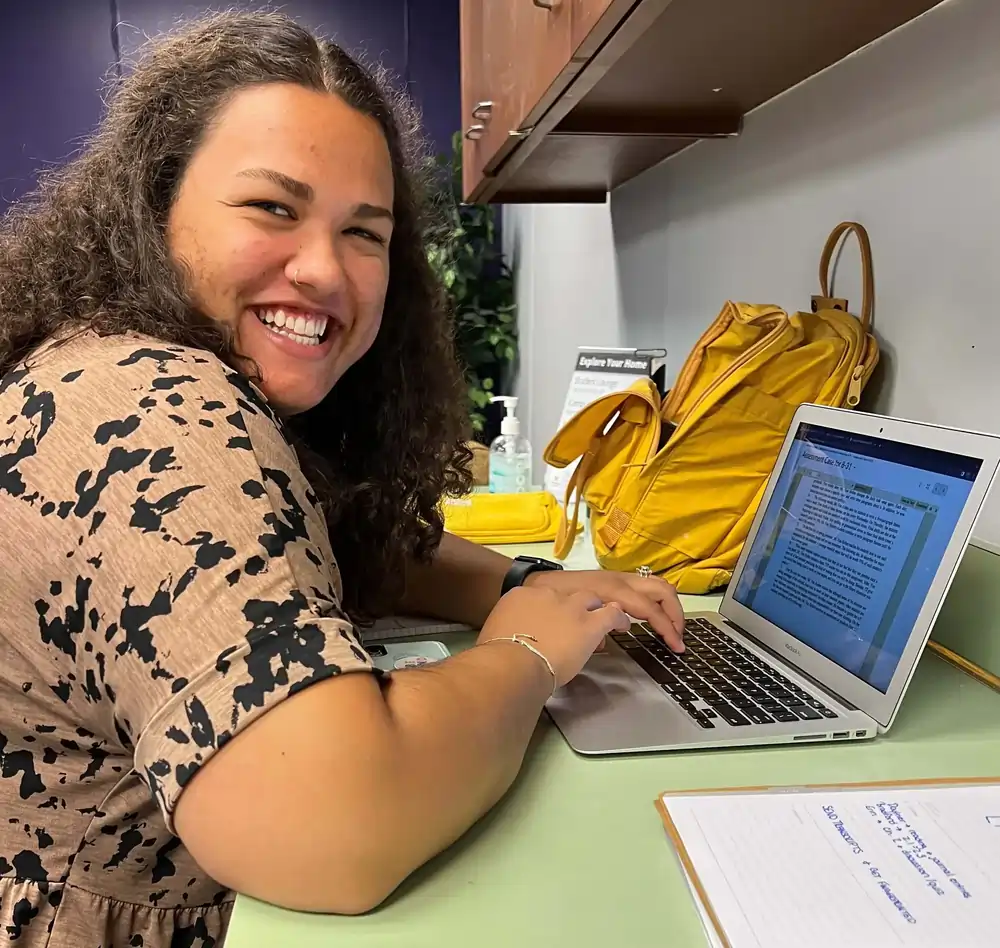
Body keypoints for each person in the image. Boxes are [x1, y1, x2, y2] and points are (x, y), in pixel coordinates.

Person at [0, 11, 685, 946]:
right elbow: (331, 827)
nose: (325, 269)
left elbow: (329, 537)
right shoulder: (153, 407)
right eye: (273, 209)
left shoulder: (115, 364)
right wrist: (527, 655)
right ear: (150, 209)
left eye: (364, 233)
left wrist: (521, 584)